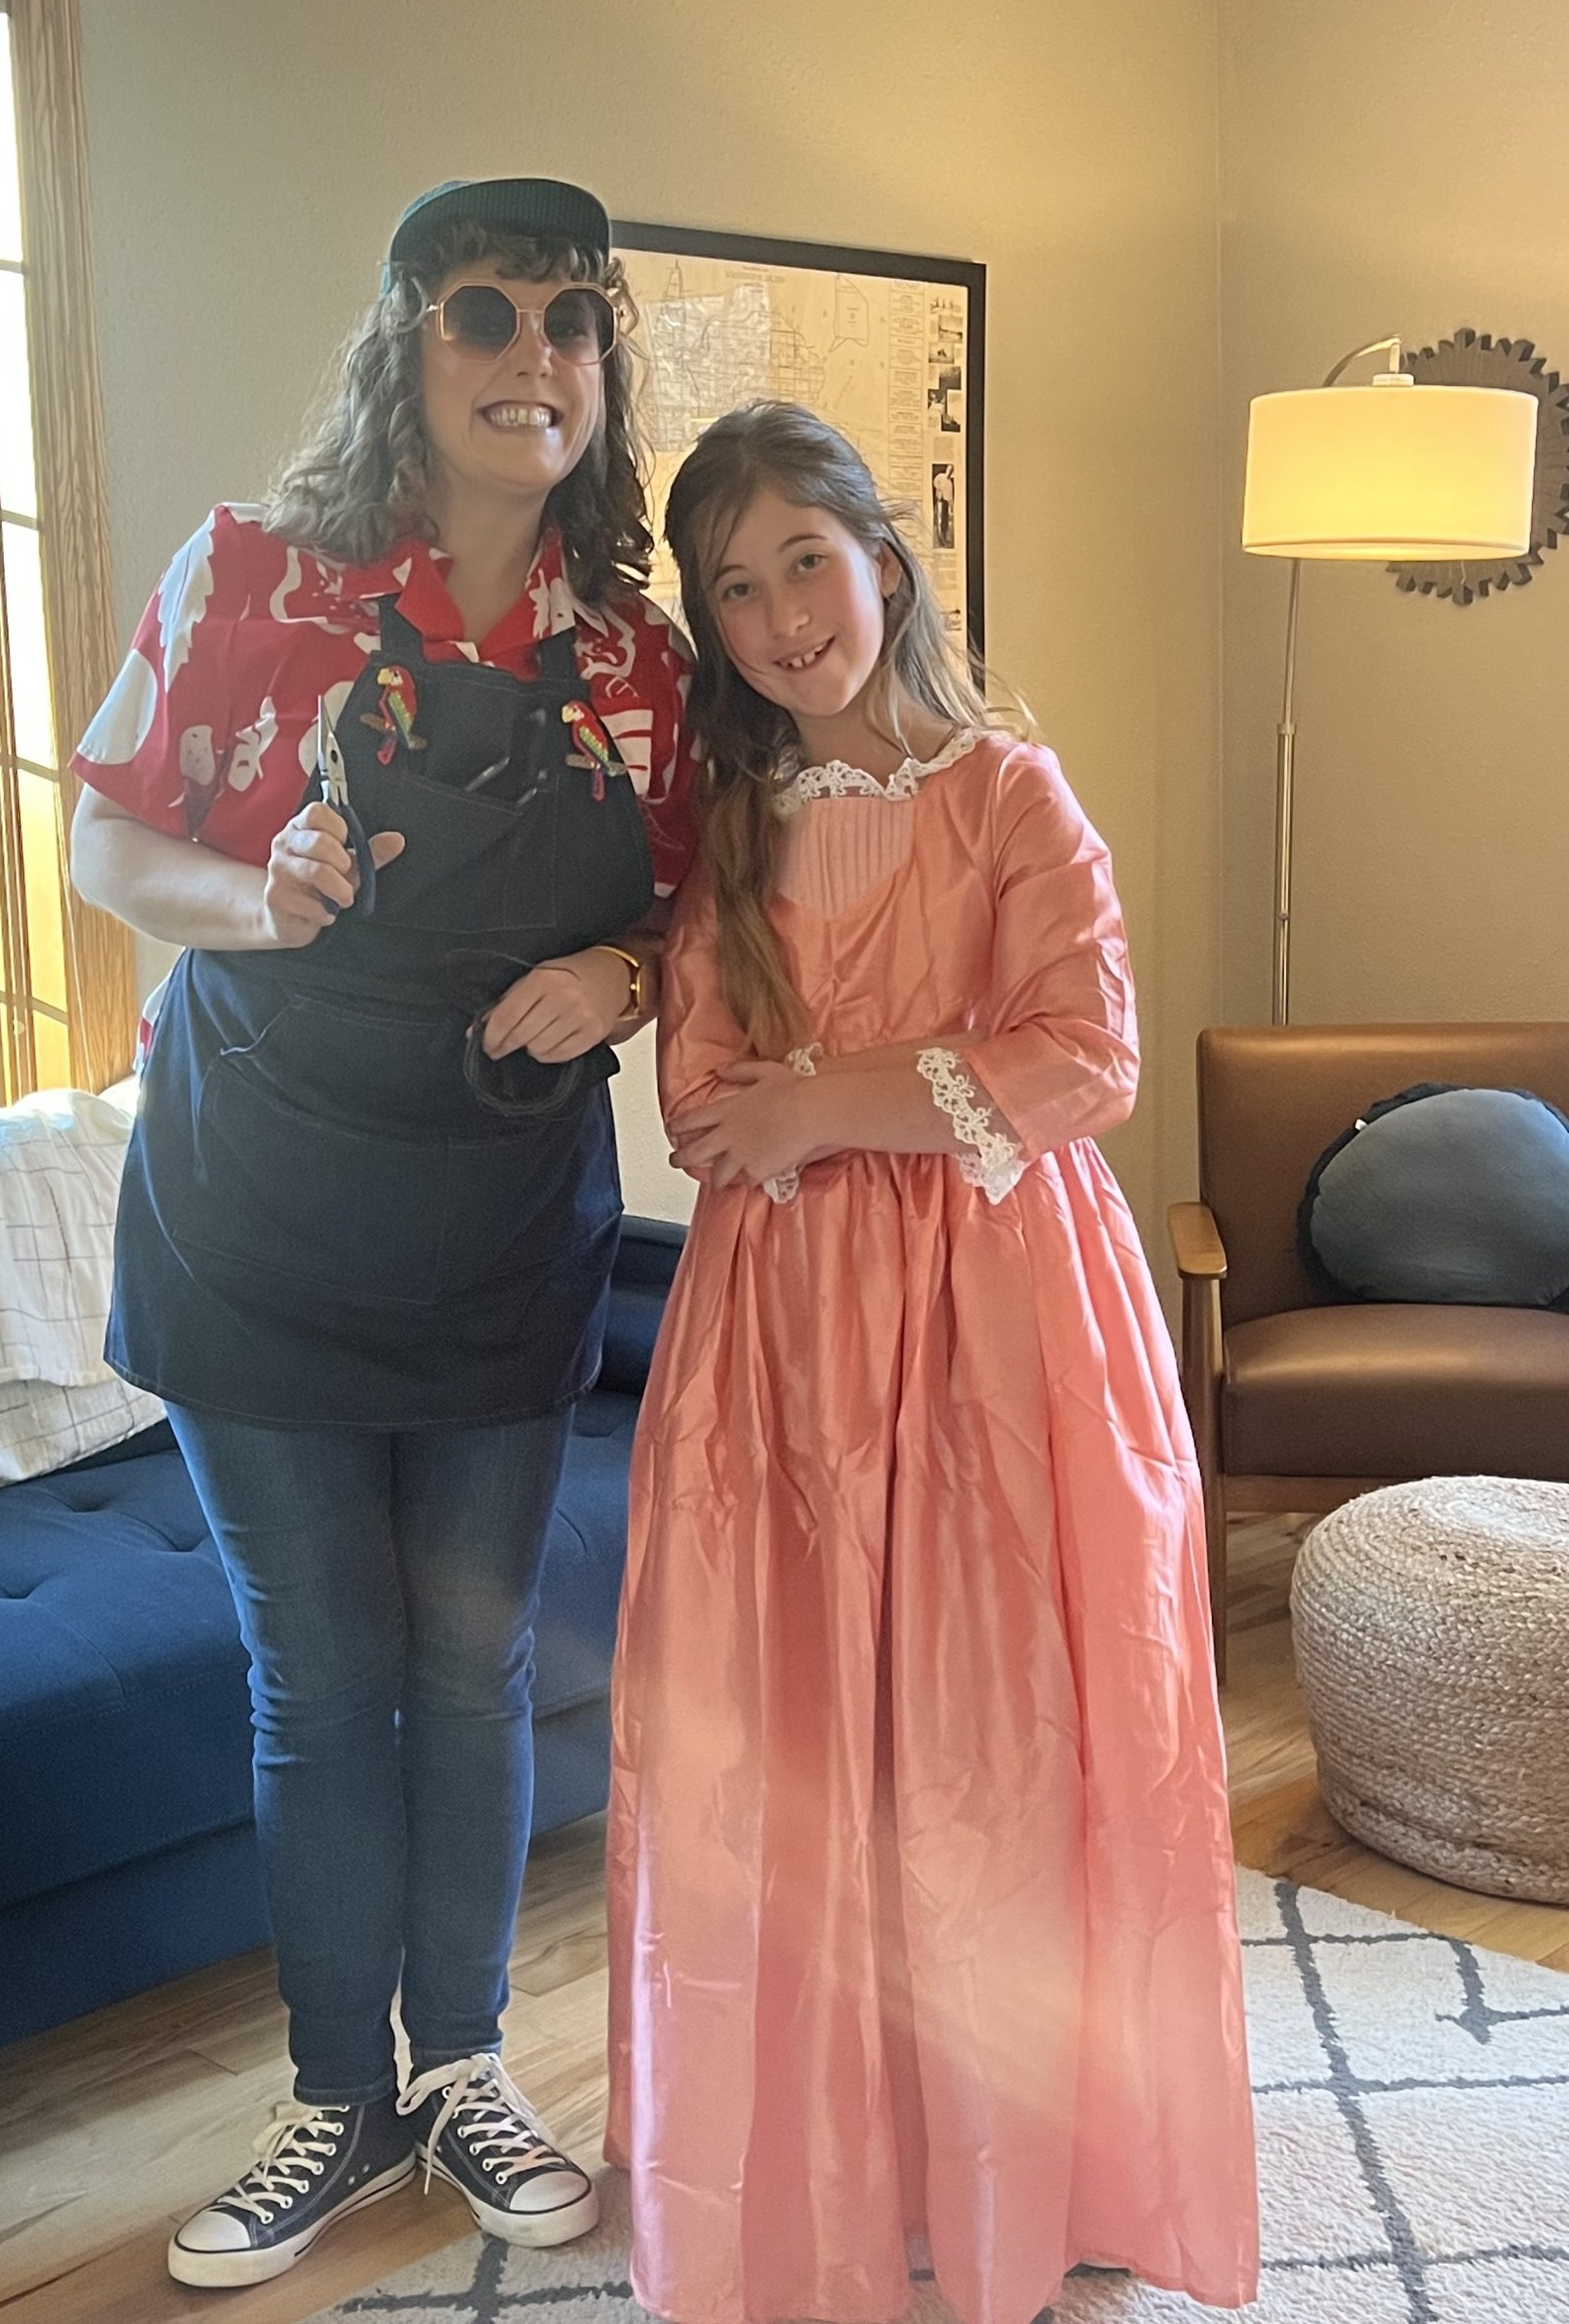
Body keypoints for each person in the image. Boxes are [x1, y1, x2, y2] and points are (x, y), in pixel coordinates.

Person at [68, 178, 695, 2289]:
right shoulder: (253, 577)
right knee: (324, 1681)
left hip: (506, 1221)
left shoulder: (639, 662)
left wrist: (626, 968)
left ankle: (468, 2069)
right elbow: (104, 830)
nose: (535, 362)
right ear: (408, 347)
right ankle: (335, 2096)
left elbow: (700, 908)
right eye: (488, 318)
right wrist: (256, 898)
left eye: (572, 326)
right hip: (257, 1209)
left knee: (478, 1659)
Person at [604, 403, 1258, 2324]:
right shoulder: (732, 832)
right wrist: (834, 1110)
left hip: (1000, 1330)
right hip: (788, 1344)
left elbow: (1091, 1055)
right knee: (810, 1740)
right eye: (736, 587)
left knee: (991, 1736)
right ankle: (849, 2153)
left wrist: (839, 1104)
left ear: (885, 559)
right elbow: (711, 1107)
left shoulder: (1010, 794)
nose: (784, 613)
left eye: (807, 556)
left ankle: (1028, 2165)